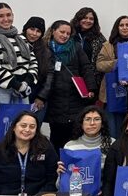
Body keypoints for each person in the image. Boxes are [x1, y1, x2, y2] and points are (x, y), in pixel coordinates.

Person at [0, 3, 38, 156]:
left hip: (23, 91)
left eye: (8, 15)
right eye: (1, 16)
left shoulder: (22, 38)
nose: (6, 19)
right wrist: (17, 85)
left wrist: (26, 83)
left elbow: (33, 62)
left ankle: (15, 169)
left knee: (23, 135)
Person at [37, 20, 97, 152]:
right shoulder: (45, 48)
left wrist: (91, 88)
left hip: (75, 97)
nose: (65, 35)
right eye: (62, 32)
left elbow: (86, 68)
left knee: (75, 135)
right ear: (53, 31)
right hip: (54, 99)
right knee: (56, 136)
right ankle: (57, 162)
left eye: (68, 33)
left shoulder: (76, 47)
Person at [0, 111, 58, 195]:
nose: (27, 129)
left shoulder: (45, 148)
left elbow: (52, 179)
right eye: (23, 125)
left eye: (32, 127)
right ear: (14, 127)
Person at [96, 15, 128, 138]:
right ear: (117, 27)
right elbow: (99, 65)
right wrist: (117, 62)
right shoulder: (108, 45)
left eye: (127, 25)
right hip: (112, 90)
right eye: (121, 25)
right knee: (113, 127)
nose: (125, 27)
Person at [57, 106, 115, 182]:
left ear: (102, 124)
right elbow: (60, 185)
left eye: (97, 119)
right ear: (81, 124)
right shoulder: (70, 146)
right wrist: (60, 175)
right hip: (76, 188)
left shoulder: (112, 144)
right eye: (87, 119)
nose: (92, 123)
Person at [22, 16, 51, 124]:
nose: (34, 34)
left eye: (38, 31)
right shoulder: (14, 43)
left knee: (35, 128)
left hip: (37, 98)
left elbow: (49, 77)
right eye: (32, 29)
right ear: (26, 29)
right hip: (18, 94)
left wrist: (41, 97)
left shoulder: (46, 51)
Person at [71, 7, 106, 91]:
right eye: (85, 18)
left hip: (91, 78)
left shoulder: (99, 37)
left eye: (91, 19)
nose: (88, 21)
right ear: (78, 19)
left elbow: (104, 57)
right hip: (71, 76)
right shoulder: (69, 34)